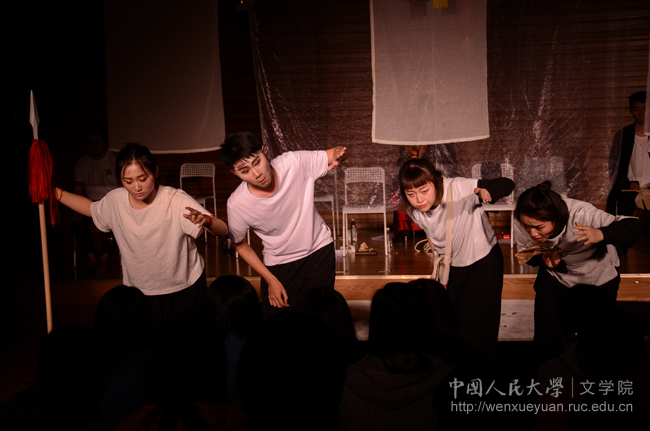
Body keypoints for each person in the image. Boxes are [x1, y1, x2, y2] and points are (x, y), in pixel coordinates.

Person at [55, 143, 228, 329]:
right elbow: (90, 208)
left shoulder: (175, 199)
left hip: (185, 288)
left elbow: (223, 230)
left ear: (156, 172)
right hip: (140, 291)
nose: (136, 187)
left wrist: (207, 221)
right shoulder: (115, 200)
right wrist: (54, 192)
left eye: (143, 178)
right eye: (128, 181)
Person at [221, 131, 347, 318]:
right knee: (278, 326)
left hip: (319, 250)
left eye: (257, 162)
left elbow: (334, 152)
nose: (257, 174)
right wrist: (270, 280)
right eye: (245, 171)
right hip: (279, 262)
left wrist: (339, 153)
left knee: (318, 321)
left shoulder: (293, 163)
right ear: (234, 172)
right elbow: (239, 244)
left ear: (264, 151)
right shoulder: (237, 204)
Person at [513, 181, 642, 361]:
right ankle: (550, 374)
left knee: (599, 338)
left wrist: (601, 234)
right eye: (528, 226)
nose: (533, 232)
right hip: (558, 276)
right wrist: (543, 257)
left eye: (539, 227)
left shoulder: (582, 213)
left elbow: (633, 227)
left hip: (598, 275)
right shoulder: (523, 221)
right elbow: (527, 253)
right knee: (547, 337)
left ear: (556, 218)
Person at [399, 158, 514, 346]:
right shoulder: (414, 210)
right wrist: (438, 264)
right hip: (453, 265)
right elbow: (431, 233)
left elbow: (507, 183)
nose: (419, 199)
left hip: (482, 260)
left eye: (424, 191)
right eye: (411, 194)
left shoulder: (459, 188)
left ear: (436, 182)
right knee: (454, 321)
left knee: (481, 325)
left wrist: (488, 192)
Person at [71, 125, 119, 274]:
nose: (93, 146)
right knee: (77, 220)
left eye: (97, 141)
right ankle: (91, 257)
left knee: (119, 219)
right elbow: (77, 188)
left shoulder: (115, 160)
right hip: (90, 203)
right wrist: (75, 208)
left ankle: (104, 257)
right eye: (89, 142)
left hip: (112, 201)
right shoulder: (81, 163)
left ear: (104, 142)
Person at [606, 91, 649, 217]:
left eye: (645, 108)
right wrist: (626, 183)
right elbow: (613, 165)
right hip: (629, 188)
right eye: (637, 109)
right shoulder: (623, 135)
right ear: (631, 110)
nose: (641, 113)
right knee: (625, 217)